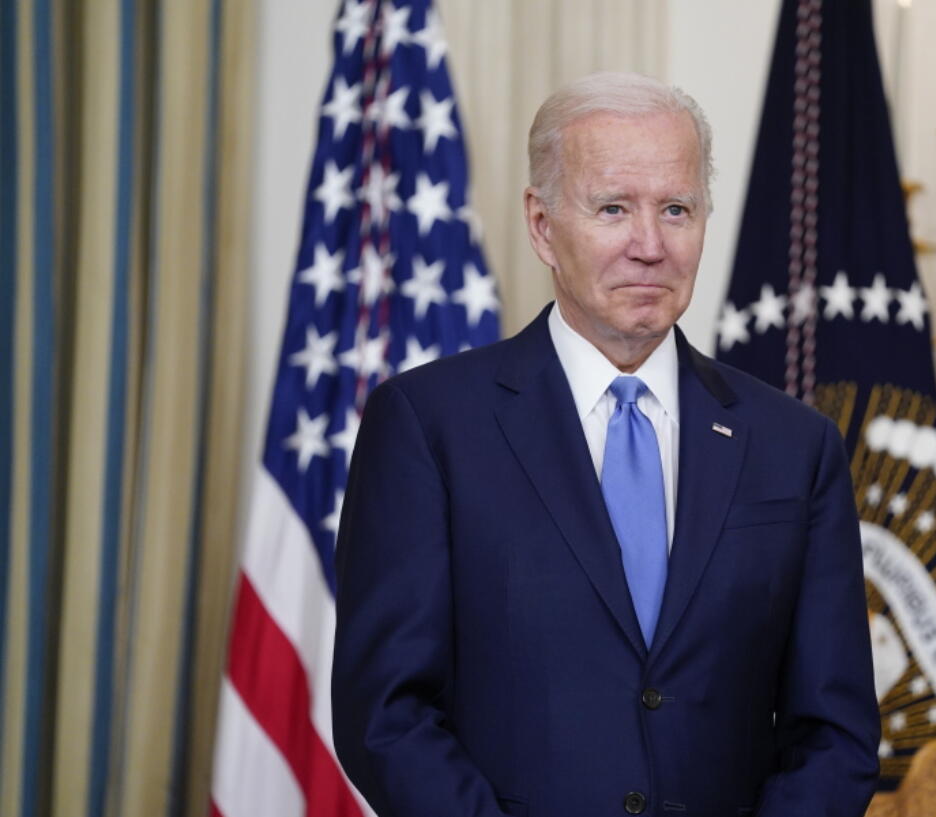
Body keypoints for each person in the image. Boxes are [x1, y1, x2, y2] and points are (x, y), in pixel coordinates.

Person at [332, 71, 880, 817]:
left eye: (677, 209)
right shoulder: (428, 427)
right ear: (542, 224)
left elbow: (836, 733)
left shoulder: (797, 446)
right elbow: (386, 714)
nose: (649, 245)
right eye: (614, 208)